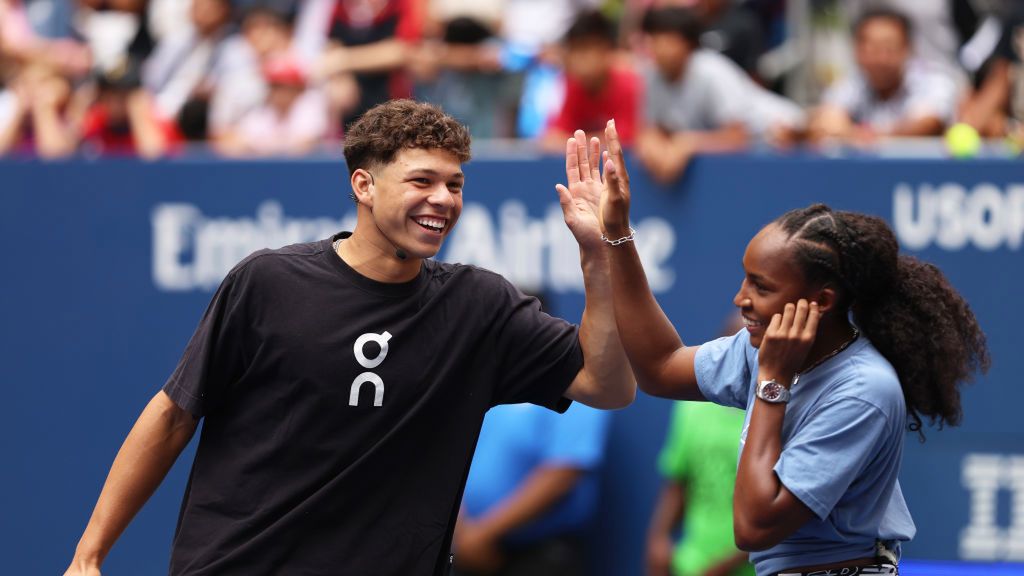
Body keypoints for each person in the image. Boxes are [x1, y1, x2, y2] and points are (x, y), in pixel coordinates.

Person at [62, 99, 635, 576]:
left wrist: (595, 255)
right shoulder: (268, 282)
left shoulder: (479, 306)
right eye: (422, 180)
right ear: (363, 184)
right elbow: (171, 416)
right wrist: (89, 556)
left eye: (455, 184)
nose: (443, 199)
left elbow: (606, 385)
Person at [584, 121, 989, 575]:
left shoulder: (863, 391)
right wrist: (616, 232)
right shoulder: (762, 352)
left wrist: (771, 384)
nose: (741, 299)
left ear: (821, 302)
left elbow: (754, 527)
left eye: (761, 286)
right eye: (744, 279)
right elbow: (658, 368)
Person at [454, 294, 612, 576]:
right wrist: (460, 530)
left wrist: (484, 534)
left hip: (538, 555)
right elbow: (450, 457)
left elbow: (563, 471)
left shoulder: (575, 382)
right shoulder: (479, 380)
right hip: (467, 549)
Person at [635, 6, 802, 184]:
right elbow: (653, 130)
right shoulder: (651, 75)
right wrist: (652, 144)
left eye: (667, 40)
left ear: (687, 43)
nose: (659, 48)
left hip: (790, 131)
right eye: (654, 39)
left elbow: (738, 137)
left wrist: (688, 144)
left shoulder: (711, 71)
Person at [646, 318, 753, 576]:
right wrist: (658, 539)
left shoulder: (781, 416)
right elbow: (679, 482)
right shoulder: (692, 408)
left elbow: (786, 518)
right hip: (691, 564)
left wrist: (724, 567)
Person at [809, 7, 958, 145]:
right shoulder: (851, 83)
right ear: (857, 50)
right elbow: (824, 122)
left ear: (909, 48)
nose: (881, 58)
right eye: (872, 48)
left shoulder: (933, 81)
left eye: (889, 48)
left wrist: (859, 135)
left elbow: (927, 125)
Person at [542, 10, 641, 152]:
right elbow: (552, 139)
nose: (578, 59)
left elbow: (626, 139)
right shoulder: (571, 86)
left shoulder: (630, 85)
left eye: (585, 50)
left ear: (606, 49)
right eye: (573, 50)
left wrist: (575, 143)